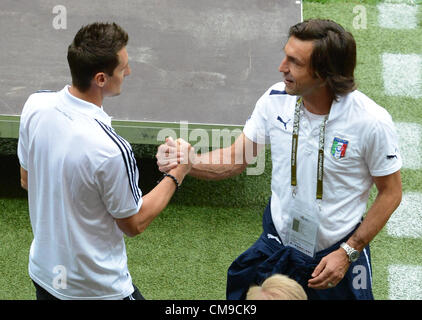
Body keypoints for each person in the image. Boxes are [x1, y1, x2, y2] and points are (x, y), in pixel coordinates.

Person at [156, 19, 402, 300]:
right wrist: (189, 161)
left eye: (294, 62)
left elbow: (391, 192)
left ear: (324, 74)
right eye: (285, 56)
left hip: (333, 257)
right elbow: (238, 157)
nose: (281, 67)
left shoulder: (371, 122)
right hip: (277, 244)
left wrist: (348, 251)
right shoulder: (275, 100)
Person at [17, 22, 192, 300]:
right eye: (123, 69)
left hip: (44, 277)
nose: (129, 72)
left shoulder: (34, 105)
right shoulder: (111, 150)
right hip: (96, 290)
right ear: (101, 79)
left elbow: (27, 180)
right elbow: (134, 223)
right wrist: (177, 174)